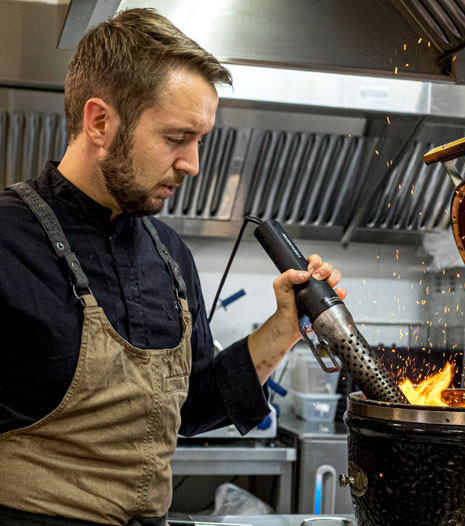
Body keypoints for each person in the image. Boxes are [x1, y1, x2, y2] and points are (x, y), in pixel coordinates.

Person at [0, 8, 345, 526]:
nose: (193, 164)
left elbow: (192, 407)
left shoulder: (169, 254)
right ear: (99, 122)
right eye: (176, 137)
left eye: (199, 140)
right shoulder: (8, 241)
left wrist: (282, 329)